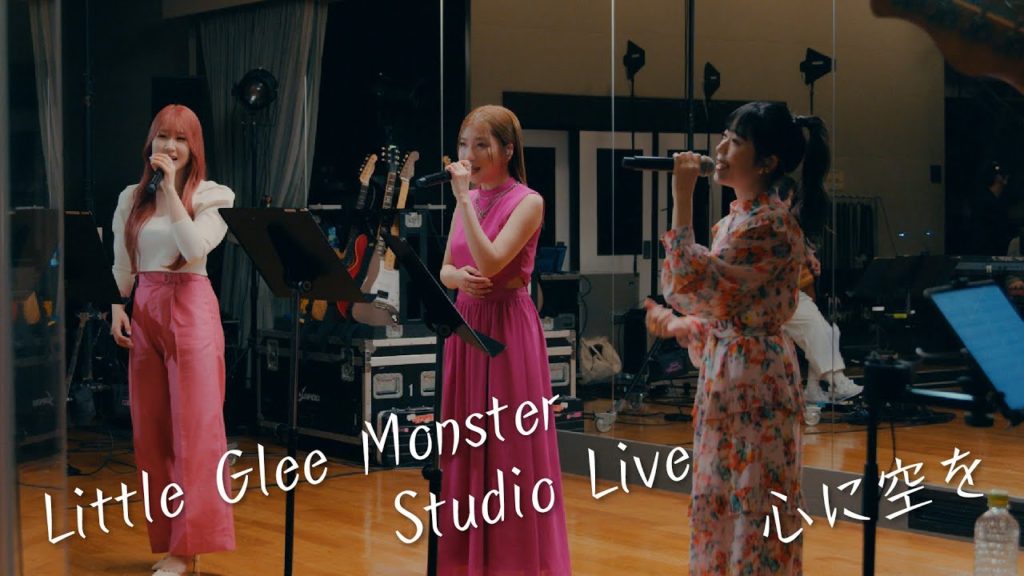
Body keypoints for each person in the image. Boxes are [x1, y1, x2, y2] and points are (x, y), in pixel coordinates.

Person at [645, 101, 829, 574]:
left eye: (736, 142)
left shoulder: (769, 224)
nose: (721, 150)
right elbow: (727, 307)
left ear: (766, 162)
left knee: (755, 501)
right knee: (720, 494)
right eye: (723, 138)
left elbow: (687, 284)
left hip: (756, 381)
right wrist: (686, 326)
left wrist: (681, 196)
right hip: (730, 372)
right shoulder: (736, 220)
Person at [437, 105, 571, 575]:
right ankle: (466, 561)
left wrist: (463, 200)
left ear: (507, 150)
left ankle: (513, 562)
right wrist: (458, 278)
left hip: (507, 329)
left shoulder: (527, 201)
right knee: (467, 445)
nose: (469, 154)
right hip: (466, 324)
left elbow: (492, 261)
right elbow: (445, 269)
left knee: (509, 447)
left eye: (481, 145)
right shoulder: (468, 199)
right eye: (464, 144)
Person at [110, 104, 235, 576]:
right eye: (163, 136)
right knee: (151, 433)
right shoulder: (131, 197)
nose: (170, 146)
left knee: (195, 432)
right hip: (145, 308)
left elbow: (194, 247)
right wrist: (117, 306)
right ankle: (169, 541)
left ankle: (189, 548)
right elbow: (123, 261)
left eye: (181, 138)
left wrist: (169, 193)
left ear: (194, 147)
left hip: (191, 306)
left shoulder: (214, 195)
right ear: (151, 143)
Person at [775, 177, 862, 404]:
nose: (791, 204)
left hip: (786, 292)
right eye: (789, 199)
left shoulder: (785, 222)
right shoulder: (771, 221)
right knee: (815, 327)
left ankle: (814, 388)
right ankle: (837, 382)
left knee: (825, 331)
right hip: (775, 296)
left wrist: (808, 256)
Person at [968, 161, 1012, 256]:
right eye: (1002, 174)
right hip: (985, 254)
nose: (1007, 176)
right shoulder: (984, 202)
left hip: (996, 253)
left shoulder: (1000, 201)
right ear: (997, 177)